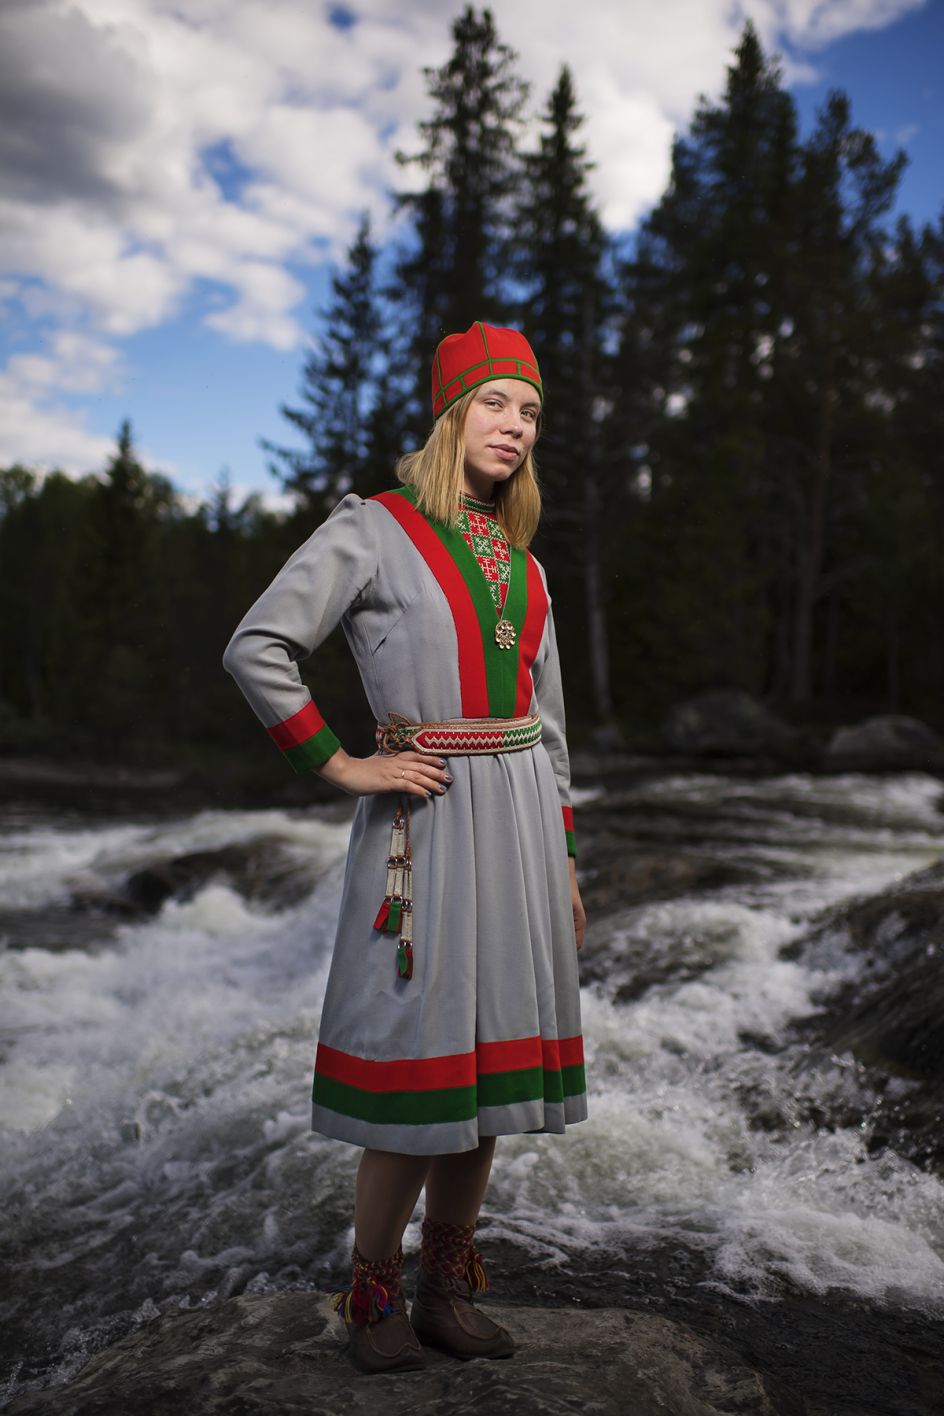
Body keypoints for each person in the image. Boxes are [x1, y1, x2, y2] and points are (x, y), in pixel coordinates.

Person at [223, 320, 587, 1375]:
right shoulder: (373, 529)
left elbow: (549, 728)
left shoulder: (526, 566)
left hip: (519, 822)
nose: (514, 426)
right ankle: (370, 1291)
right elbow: (258, 646)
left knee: (486, 1067)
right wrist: (342, 765)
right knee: (416, 1071)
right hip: (421, 822)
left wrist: (563, 858)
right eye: (494, 404)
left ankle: (444, 1289)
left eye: (528, 412)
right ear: (447, 415)